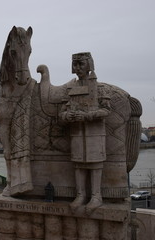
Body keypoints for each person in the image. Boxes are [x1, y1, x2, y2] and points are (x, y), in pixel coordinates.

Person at [59, 52, 110, 214]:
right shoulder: (70, 89)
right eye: (75, 64)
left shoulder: (100, 88)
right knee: (79, 164)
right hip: (77, 134)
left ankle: (96, 196)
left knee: (95, 164)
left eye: (81, 64)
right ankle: (80, 195)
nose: (78, 68)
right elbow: (62, 113)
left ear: (89, 65)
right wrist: (68, 116)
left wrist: (88, 115)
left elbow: (107, 110)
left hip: (94, 134)